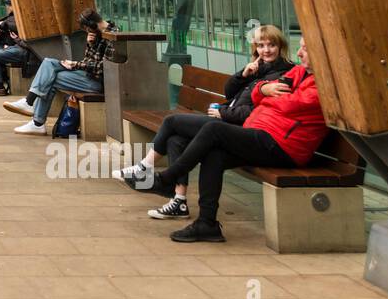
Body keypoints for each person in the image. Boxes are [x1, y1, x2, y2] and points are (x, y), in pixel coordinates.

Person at [120, 38, 327, 243]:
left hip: (283, 147)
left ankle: (168, 179)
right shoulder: (299, 72)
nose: (299, 53)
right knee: (214, 153)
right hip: (260, 135)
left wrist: (267, 95)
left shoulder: (323, 84)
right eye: (300, 48)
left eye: (305, 49)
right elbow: (257, 93)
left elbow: (290, 105)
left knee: (214, 129)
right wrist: (264, 90)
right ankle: (207, 224)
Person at [113, 25, 294, 219]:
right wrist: (243, 74)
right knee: (175, 140)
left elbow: (259, 112)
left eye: (271, 45)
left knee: (172, 121)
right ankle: (179, 201)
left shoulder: (283, 74)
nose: (266, 50)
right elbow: (229, 91)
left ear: (280, 46)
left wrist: (224, 113)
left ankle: (144, 168)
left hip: (238, 128)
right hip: (226, 120)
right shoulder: (259, 67)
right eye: (261, 45)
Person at [13, 8, 115, 132]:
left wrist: (75, 64)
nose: (87, 32)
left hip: (96, 82)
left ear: (92, 25)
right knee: (48, 63)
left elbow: (102, 68)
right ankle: (29, 105)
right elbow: (89, 60)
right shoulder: (98, 33)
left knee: (49, 78)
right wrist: (90, 45)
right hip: (87, 75)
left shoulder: (112, 37)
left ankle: (36, 120)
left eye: (87, 29)